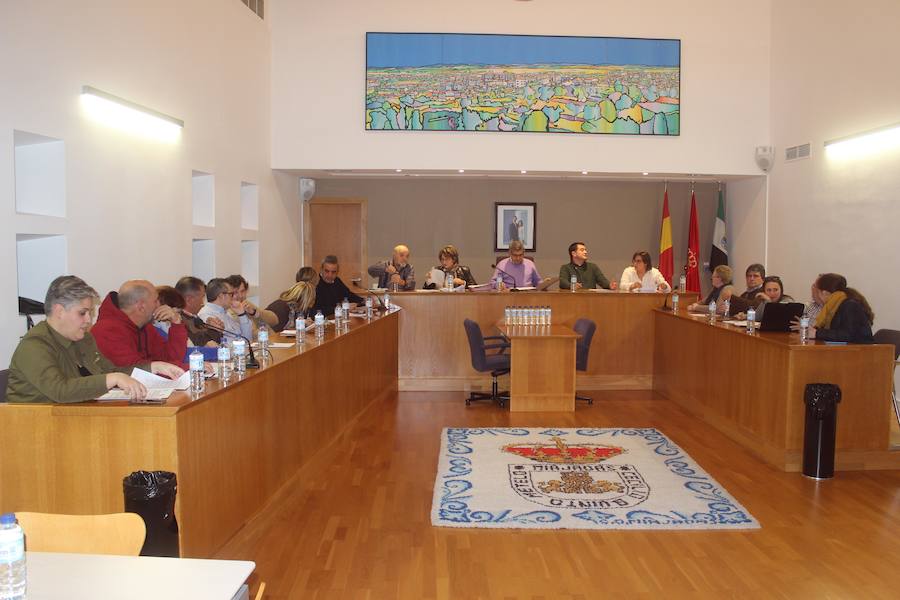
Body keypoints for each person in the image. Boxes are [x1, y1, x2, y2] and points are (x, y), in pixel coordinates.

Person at [6, 276, 180, 403]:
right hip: (35, 431)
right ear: (59, 311)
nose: (89, 320)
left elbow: (110, 369)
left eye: (89, 312)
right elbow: (60, 390)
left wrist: (151, 367)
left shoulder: (84, 339)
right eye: (82, 313)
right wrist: (113, 378)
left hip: (76, 419)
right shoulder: (34, 345)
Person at [91, 279, 189, 368]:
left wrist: (176, 324)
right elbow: (136, 371)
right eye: (155, 301)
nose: (158, 305)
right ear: (141, 306)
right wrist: (191, 369)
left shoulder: (145, 327)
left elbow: (169, 358)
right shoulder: (106, 331)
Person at [794, 273, 874, 343]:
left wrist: (816, 333)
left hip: (859, 352)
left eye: (817, 290)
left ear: (824, 293)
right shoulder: (832, 306)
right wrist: (811, 330)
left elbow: (848, 335)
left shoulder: (849, 305)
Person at [198, 278, 253, 342]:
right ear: (221, 296)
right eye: (231, 294)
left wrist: (242, 314)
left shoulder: (226, 312)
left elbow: (247, 339)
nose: (233, 297)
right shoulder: (206, 316)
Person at [175, 276, 223, 347]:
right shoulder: (178, 319)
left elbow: (212, 341)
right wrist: (213, 330)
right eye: (202, 297)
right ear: (189, 299)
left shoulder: (193, 317)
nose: (203, 302)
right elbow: (199, 342)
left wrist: (215, 328)